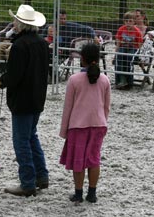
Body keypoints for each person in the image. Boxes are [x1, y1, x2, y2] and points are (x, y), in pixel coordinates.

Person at [0, 4, 49, 197]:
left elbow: (15, 75)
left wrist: (3, 80)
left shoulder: (19, 46)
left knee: (21, 141)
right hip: (37, 98)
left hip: (23, 100)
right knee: (31, 136)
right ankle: (41, 176)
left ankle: (27, 183)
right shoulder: (42, 43)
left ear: (20, 23)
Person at [59, 43, 111, 204]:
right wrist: (103, 121)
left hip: (77, 126)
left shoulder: (74, 80)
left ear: (82, 59)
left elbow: (68, 107)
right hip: (98, 124)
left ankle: (78, 193)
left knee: (78, 161)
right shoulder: (105, 80)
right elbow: (106, 107)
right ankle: (92, 193)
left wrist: (64, 130)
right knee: (94, 160)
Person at [114, 11, 143, 89]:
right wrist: (116, 52)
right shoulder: (121, 29)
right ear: (124, 21)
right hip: (123, 47)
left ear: (134, 22)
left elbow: (139, 46)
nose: (128, 23)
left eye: (130, 21)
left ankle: (129, 82)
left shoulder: (137, 31)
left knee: (129, 59)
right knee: (119, 57)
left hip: (133, 48)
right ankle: (119, 80)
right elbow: (118, 42)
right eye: (126, 21)